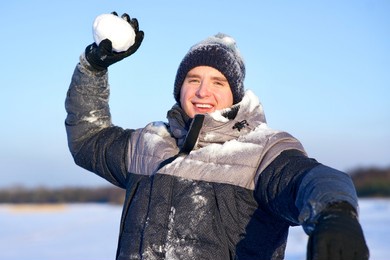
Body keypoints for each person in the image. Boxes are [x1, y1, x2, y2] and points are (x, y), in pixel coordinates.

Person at [65, 12, 369, 260]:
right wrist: (93, 68)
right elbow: (88, 138)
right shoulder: (149, 143)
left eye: (218, 82)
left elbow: (312, 178)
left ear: (234, 94)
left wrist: (336, 212)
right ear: (179, 88)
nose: (202, 92)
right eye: (193, 79)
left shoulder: (263, 150)